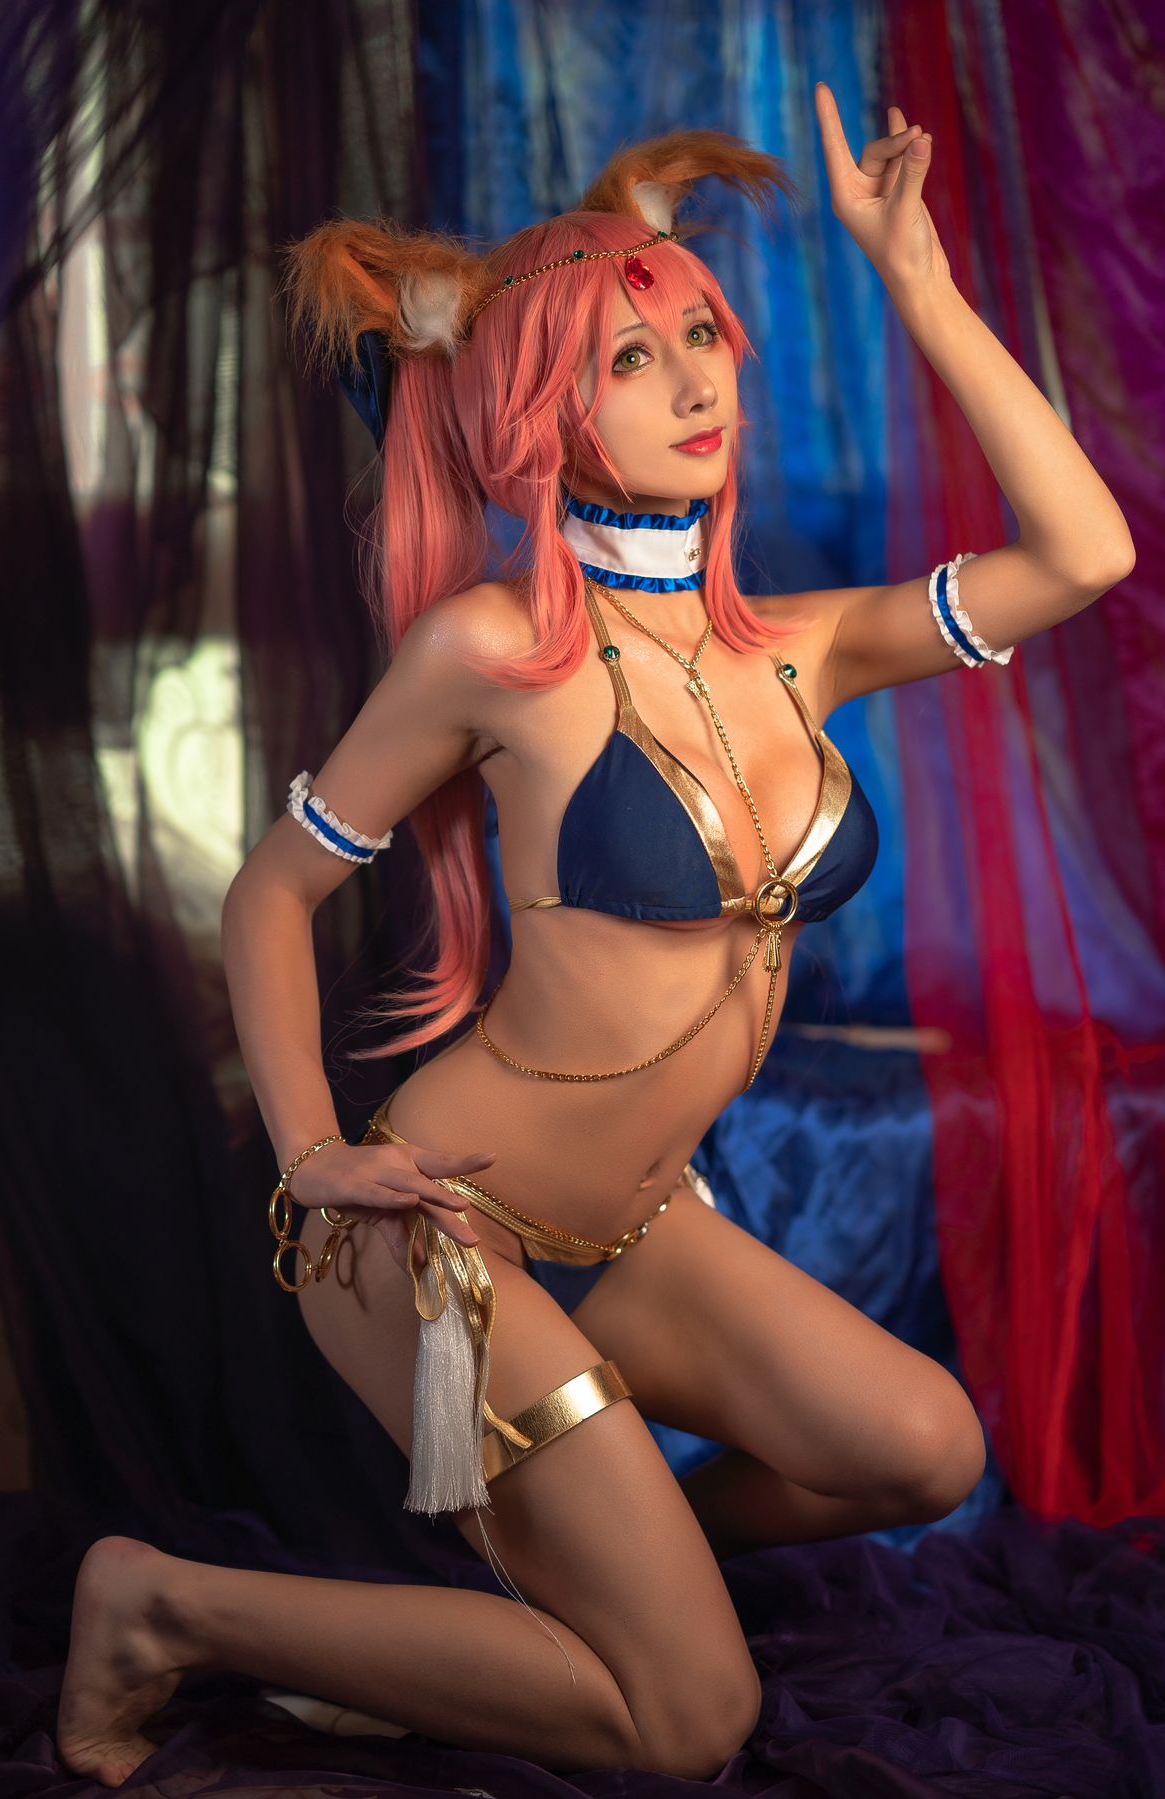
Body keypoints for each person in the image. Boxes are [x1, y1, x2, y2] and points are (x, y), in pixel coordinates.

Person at [55, 96, 1135, 1788]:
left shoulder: (805, 647)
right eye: (634, 358)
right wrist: (316, 1157)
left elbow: (1087, 552)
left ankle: (607, 1590)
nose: (699, 383)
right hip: (441, 1237)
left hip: (630, 1227)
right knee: (696, 1724)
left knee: (926, 1450)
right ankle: (162, 1607)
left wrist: (916, 280)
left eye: (703, 336)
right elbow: (270, 894)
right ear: (541, 412)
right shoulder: (491, 650)